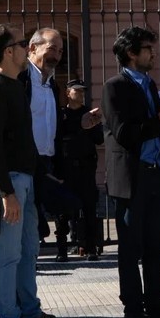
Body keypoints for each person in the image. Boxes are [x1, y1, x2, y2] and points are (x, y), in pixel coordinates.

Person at [0, 24, 68, 318]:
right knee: (7, 255)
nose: (25, 48)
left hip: (26, 180)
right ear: (9, 52)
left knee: (29, 251)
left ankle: (31, 313)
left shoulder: (14, 85)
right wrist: (6, 193)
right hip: (9, 184)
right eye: (20, 44)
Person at [102, 26, 160, 318]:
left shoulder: (150, 85)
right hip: (132, 179)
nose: (153, 53)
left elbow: (157, 132)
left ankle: (155, 302)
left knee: (157, 245)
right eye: (147, 49)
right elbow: (127, 135)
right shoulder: (115, 86)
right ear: (131, 53)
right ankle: (133, 307)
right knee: (130, 248)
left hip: (157, 175)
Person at [19, 28, 78, 260]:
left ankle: (27, 280)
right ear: (32, 48)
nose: (57, 55)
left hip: (46, 164)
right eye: (52, 48)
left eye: (61, 51)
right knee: (23, 228)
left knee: (34, 229)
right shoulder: (21, 79)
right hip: (23, 164)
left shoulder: (52, 85)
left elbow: (54, 127)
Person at [58, 79, 104, 260]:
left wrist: (93, 125)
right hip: (67, 168)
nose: (81, 94)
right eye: (76, 91)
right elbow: (57, 138)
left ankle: (90, 248)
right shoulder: (61, 114)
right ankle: (62, 250)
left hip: (86, 167)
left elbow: (99, 139)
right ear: (68, 93)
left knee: (89, 209)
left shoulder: (89, 113)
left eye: (83, 91)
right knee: (63, 211)